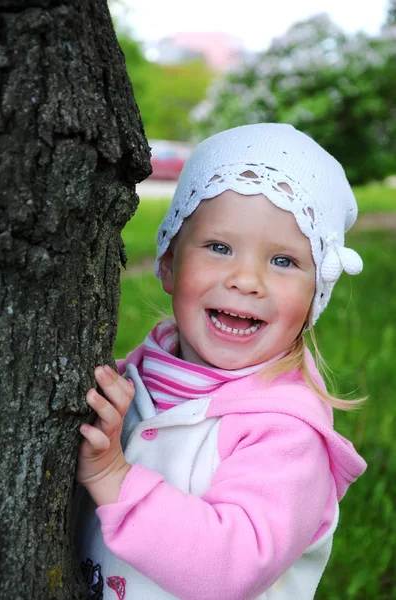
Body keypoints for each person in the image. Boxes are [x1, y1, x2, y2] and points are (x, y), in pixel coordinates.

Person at [75, 123, 367, 600]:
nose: (246, 280)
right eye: (219, 247)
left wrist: (114, 477)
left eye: (283, 261)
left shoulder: (286, 434)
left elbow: (232, 566)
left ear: (316, 296)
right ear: (168, 263)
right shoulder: (135, 377)